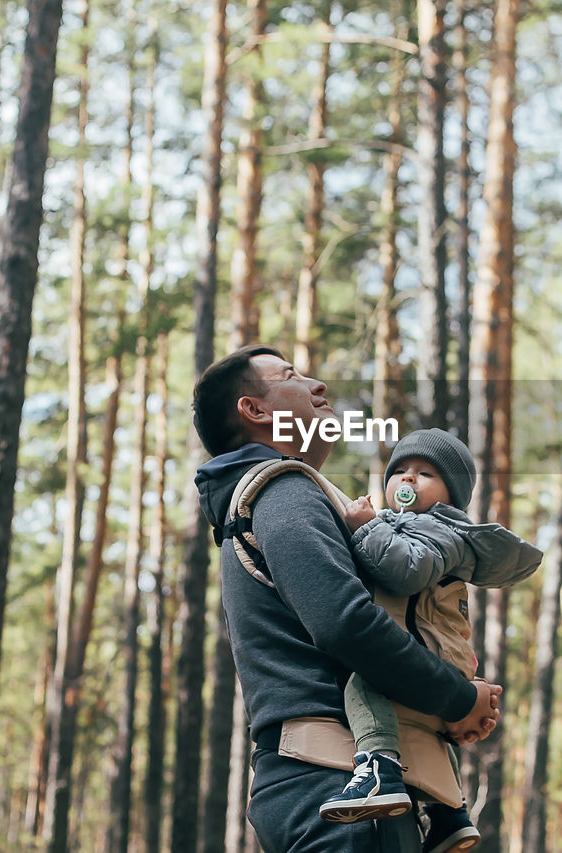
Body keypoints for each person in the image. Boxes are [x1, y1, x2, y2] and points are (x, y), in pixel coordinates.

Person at [192, 345, 502, 853]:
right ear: (254, 410)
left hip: (336, 786)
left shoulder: (286, 497)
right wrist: (457, 697)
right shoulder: (283, 491)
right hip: (333, 782)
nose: (319, 385)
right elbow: (346, 625)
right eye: (292, 376)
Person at [319, 428, 542, 853]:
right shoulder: (405, 526)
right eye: (399, 470)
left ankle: (376, 770)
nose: (407, 479)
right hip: (438, 652)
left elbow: (408, 572)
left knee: (365, 685)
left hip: (423, 651)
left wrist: (367, 529)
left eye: (424, 473)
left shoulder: (442, 529)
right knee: (428, 731)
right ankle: (449, 814)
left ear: (451, 496)